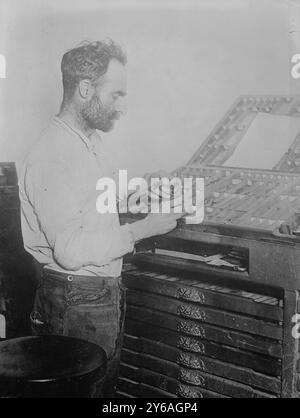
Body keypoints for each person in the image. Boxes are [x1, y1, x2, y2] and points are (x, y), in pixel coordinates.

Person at [18, 39, 183, 397]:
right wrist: (144, 229)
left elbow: (90, 206)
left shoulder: (83, 143)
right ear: (85, 89)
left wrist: (141, 189)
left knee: (102, 391)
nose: (121, 107)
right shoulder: (52, 154)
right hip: (77, 300)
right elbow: (71, 249)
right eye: (116, 95)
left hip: (91, 297)